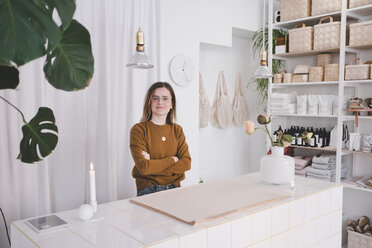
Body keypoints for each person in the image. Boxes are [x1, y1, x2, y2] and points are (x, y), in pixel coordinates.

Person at [130, 82, 191, 196]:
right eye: (155, 98)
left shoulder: (177, 130)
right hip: (149, 191)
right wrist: (173, 160)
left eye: (165, 98)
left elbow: (186, 163)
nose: (160, 102)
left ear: (171, 104)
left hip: (175, 189)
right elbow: (144, 168)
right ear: (150, 102)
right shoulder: (138, 130)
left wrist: (152, 165)